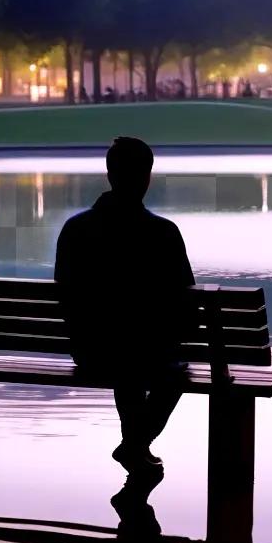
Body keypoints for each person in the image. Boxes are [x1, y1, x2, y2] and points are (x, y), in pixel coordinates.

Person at [55, 137, 194, 472]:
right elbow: (187, 302)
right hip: (146, 353)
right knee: (170, 370)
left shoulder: (75, 229)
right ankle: (135, 444)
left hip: (89, 351)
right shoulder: (163, 233)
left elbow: (64, 294)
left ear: (109, 174)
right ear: (146, 177)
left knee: (126, 357)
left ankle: (135, 446)